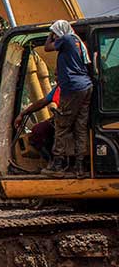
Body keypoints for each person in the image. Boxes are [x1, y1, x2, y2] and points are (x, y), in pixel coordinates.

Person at [43, 20, 93, 177]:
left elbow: (46, 47)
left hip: (72, 88)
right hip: (86, 87)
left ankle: (57, 164)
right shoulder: (77, 41)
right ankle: (80, 166)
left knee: (61, 125)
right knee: (80, 127)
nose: (55, 36)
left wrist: (51, 33)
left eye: (56, 32)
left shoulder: (66, 39)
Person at [14, 84, 61, 161]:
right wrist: (23, 113)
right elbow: (42, 102)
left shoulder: (77, 86)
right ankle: (52, 160)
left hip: (73, 121)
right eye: (55, 75)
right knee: (38, 130)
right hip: (60, 120)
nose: (56, 78)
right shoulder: (57, 89)